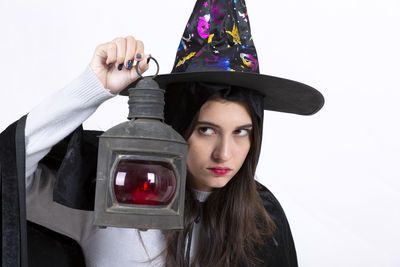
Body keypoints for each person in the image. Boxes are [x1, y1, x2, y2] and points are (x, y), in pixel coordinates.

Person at [0, 0, 324, 266]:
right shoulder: (111, 196)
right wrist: (92, 88)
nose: (224, 152)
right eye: (207, 130)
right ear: (179, 127)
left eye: (241, 132)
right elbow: (8, 172)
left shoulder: (262, 221)